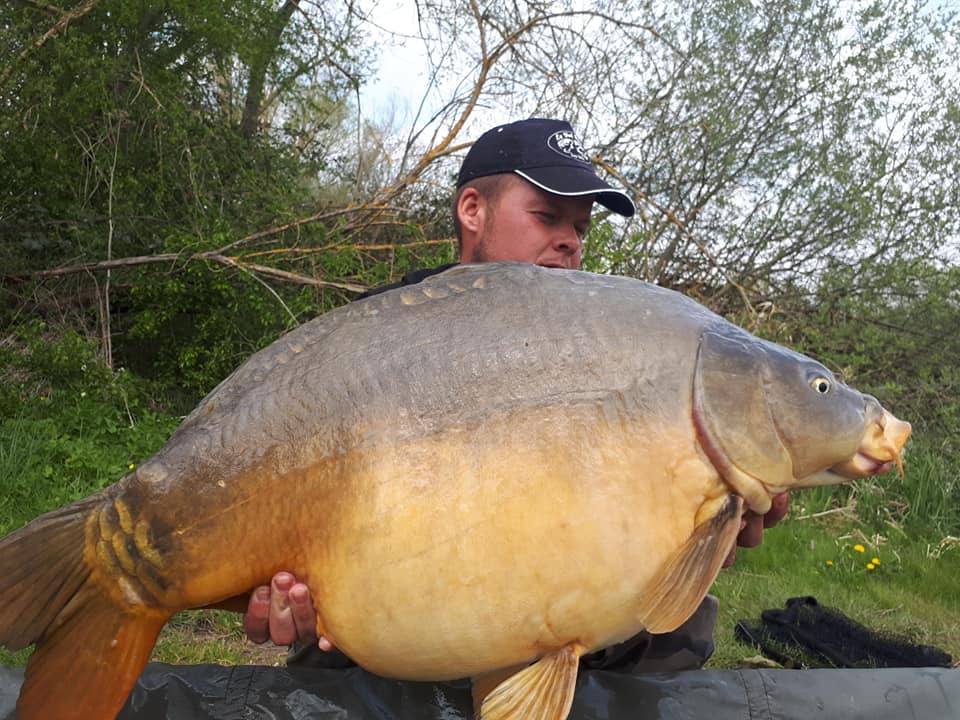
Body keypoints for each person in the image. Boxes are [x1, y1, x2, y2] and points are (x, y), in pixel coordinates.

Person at [242, 117, 790, 672]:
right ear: (472, 210)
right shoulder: (379, 336)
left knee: (678, 624)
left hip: (555, 602)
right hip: (408, 609)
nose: (570, 241)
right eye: (547, 216)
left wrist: (703, 523)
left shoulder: (608, 348)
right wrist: (284, 589)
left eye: (581, 228)